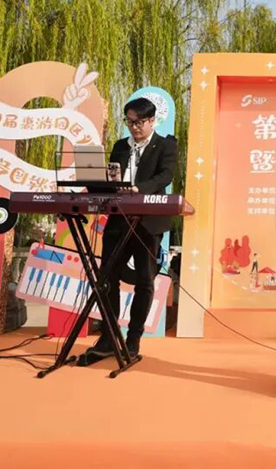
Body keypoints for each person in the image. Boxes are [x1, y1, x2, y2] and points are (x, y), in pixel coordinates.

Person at [83, 97, 177, 362]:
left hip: (148, 222)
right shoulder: (120, 147)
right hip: (118, 220)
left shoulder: (165, 145)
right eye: (130, 122)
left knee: (145, 282)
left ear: (152, 121)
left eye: (139, 122)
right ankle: (108, 336)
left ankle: (133, 338)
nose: (134, 127)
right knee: (107, 278)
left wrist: (139, 188)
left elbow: (165, 176)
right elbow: (112, 177)